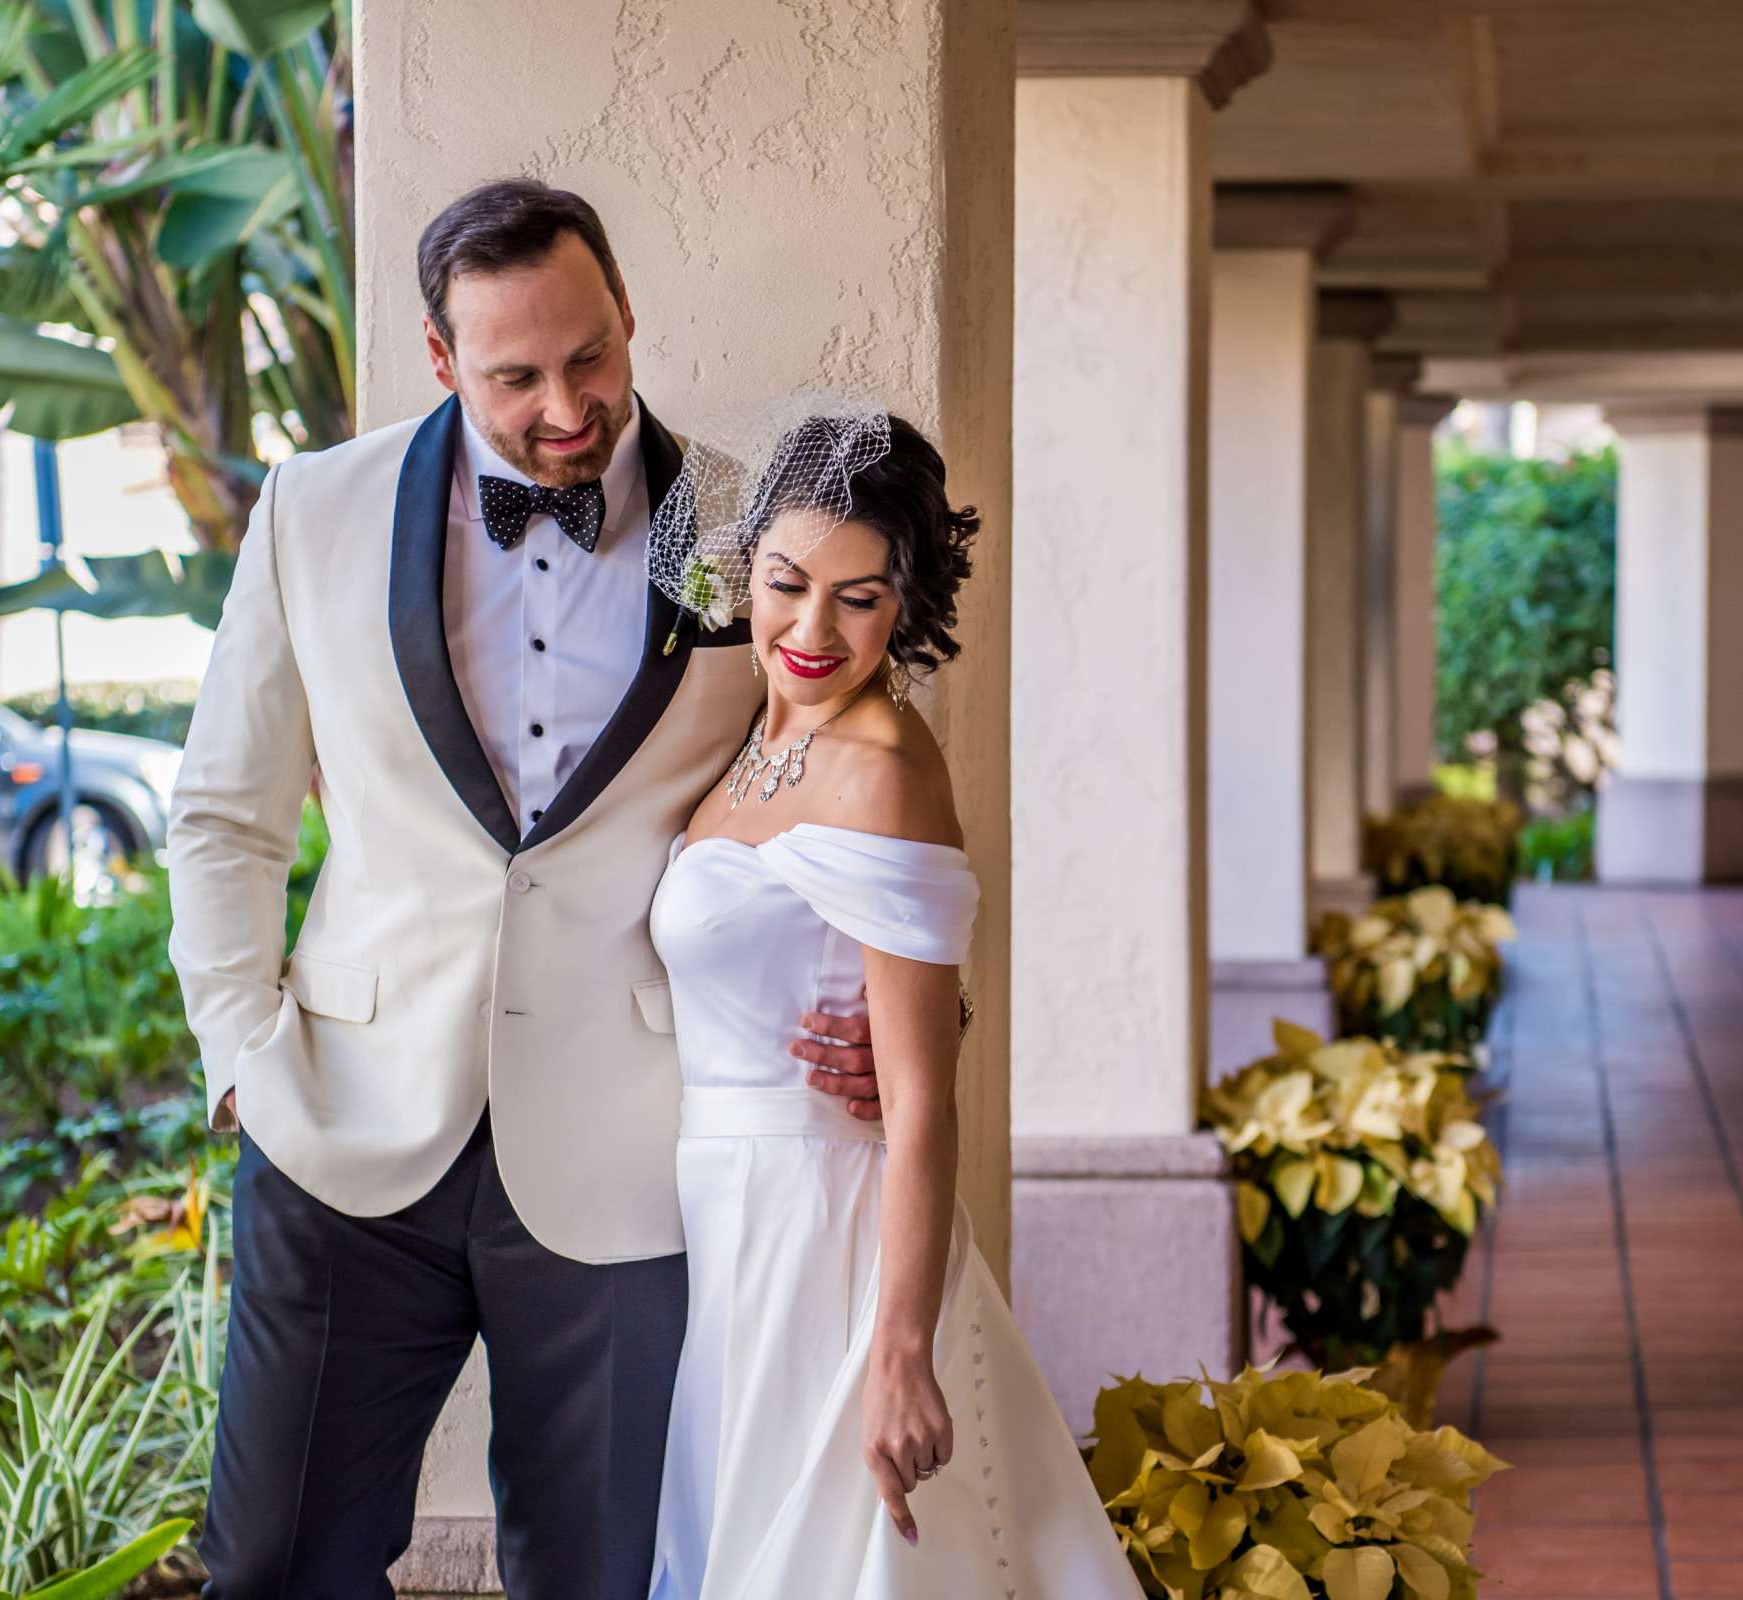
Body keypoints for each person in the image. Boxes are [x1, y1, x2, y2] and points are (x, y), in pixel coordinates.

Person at [165, 180, 888, 1596]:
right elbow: (221, 814)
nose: (566, 406)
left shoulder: (736, 529)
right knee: (270, 1563)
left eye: (591, 358)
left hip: (636, 1144)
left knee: (605, 1571)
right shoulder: (319, 512)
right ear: (441, 360)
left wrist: (907, 1014)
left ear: (626, 317)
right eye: (515, 377)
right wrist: (238, 1055)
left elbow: (854, 791)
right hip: (342, 1127)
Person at [641, 407, 1140, 1597]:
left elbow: (920, 1103)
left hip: (831, 1225)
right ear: (744, 562)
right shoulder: (742, 728)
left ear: (906, 603)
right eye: (788, 582)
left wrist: (899, 1348)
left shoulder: (883, 771)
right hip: (726, 1220)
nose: (813, 628)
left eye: (860, 598)